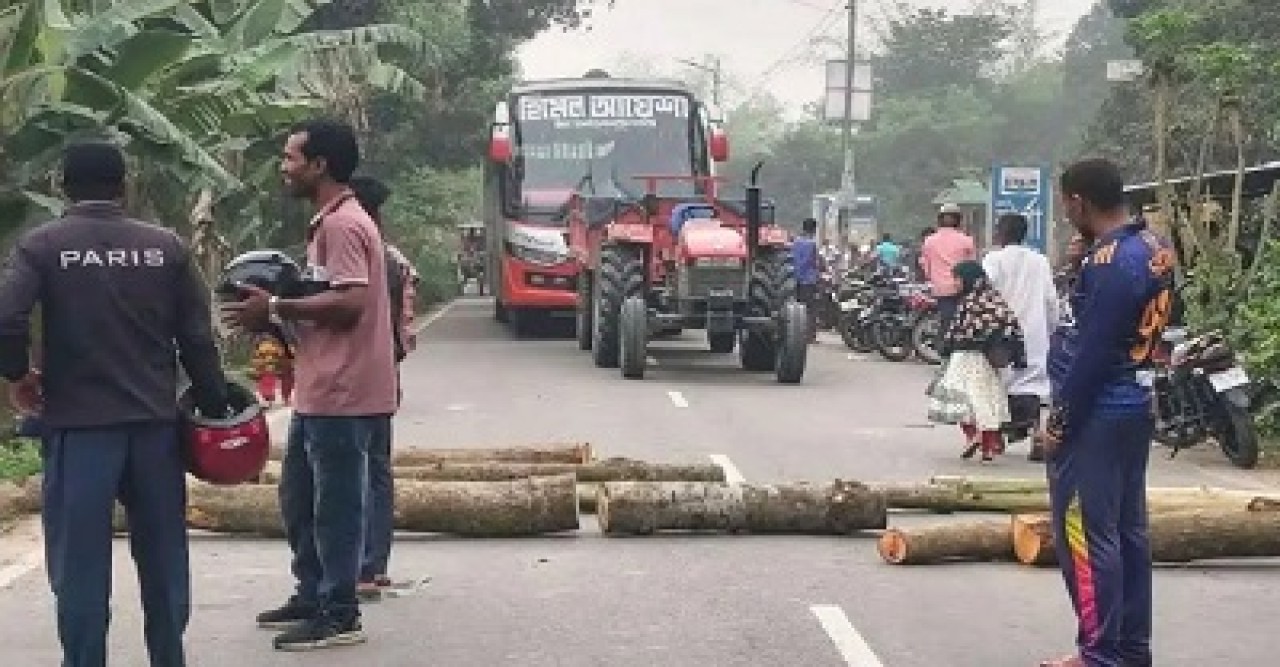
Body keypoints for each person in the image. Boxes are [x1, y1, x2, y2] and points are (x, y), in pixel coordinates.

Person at [0, 141, 231, 667]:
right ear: (123, 186)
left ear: (62, 188)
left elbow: (6, 318)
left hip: (78, 429)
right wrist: (214, 403)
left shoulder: (43, 245)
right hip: (154, 428)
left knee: (80, 566)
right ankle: (168, 657)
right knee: (164, 559)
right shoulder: (165, 247)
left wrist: (18, 375)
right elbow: (196, 337)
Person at [224, 119, 398, 651]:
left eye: (290, 157)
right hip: (322, 388)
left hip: (345, 393)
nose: (284, 167)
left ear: (319, 164)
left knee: (335, 506)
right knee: (299, 496)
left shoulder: (344, 225)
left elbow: (350, 302)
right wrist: (278, 318)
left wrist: (274, 305)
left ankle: (339, 611)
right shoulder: (330, 222)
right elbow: (327, 304)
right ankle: (312, 591)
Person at [1039, 158, 1175, 667]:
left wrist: (1060, 420)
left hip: (1097, 409)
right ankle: (1131, 648)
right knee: (1128, 532)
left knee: (1085, 532)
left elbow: (1092, 351)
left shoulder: (1111, 261)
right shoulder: (1154, 247)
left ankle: (1098, 654)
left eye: (1065, 206)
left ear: (1079, 202)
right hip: (1135, 401)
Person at [347, 175, 417, 600]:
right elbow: (404, 331)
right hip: (383, 375)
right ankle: (374, 565)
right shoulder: (393, 259)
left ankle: (359, 565)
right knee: (377, 470)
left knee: (352, 473)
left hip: (352, 380)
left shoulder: (359, 252)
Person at [927, 261, 1026, 463]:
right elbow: (1009, 324)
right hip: (987, 361)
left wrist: (946, 346)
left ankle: (973, 436)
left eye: (958, 279)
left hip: (965, 357)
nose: (955, 283)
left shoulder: (968, 302)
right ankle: (988, 448)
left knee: (960, 399)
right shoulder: (994, 299)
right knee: (986, 401)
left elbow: (957, 331)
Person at [982, 214, 1060, 462]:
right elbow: (1050, 300)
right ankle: (1037, 433)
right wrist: (1052, 327)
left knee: (999, 382)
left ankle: (995, 438)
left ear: (1000, 233)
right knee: (1033, 384)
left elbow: (984, 292)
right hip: (1034, 331)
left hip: (1002, 331)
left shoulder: (993, 260)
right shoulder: (1040, 261)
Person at [920, 205, 977, 345]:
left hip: (941, 289)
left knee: (946, 322)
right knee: (964, 323)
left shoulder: (929, 241)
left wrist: (932, 277)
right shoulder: (966, 240)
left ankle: (944, 355)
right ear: (959, 220)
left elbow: (925, 267)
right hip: (963, 288)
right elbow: (972, 265)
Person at [792, 217, 823, 343]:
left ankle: (798, 335)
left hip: (796, 279)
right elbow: (814, 262)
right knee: (811, 309)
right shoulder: (812, 244)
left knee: (798, 308)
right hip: (809, 281)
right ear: (814, 229)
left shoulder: (796, 242)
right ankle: (810, 337)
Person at [251, 332, 292, 407]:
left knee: (269, 384)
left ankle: (271, 400)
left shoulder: (267, 347)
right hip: (269, 370)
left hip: (268, 370)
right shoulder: (274, 346)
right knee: (270, 384)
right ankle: (276, 400)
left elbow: (257, 359)